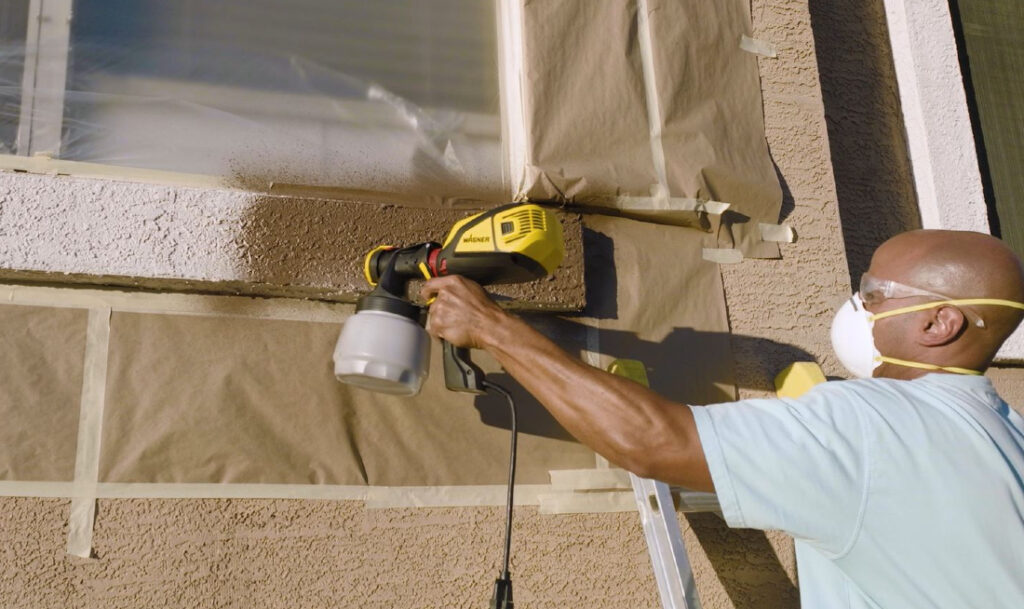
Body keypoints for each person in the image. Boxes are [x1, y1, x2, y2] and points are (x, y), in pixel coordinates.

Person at [421, 229, 1024, 609]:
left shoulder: (868, 426)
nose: (856, 307)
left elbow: (654, 439)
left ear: (938, 323)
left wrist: (493, 328)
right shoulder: (1008, 435)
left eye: (874, 293)